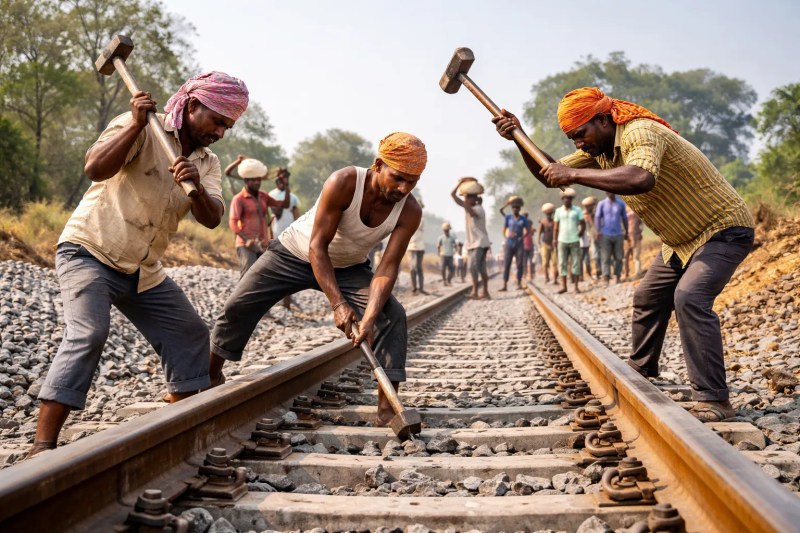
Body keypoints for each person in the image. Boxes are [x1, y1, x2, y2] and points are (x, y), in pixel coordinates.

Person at [492, 86, 754, 422]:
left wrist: (573, 174)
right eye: (572, 138)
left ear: (602, 119)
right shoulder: (601, 149)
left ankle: (714, 399)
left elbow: (640, 177)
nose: (578, 144)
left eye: (580, 134)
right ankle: (640, 372)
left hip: (723, 229)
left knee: (689, 297)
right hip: (679, 240)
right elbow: (551, 172)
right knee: (648, 297)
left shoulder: (640, 132)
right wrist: (519, 137)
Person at [27, 71, 249, 459]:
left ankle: (177, 430)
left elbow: (212, 217)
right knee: (89, 334)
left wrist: (193, 184)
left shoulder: (207, 162)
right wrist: (133, 125)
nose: (221, 133)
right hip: (89, 251)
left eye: (227, 126)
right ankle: (41, 446)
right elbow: (95, 168)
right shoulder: (142, 126)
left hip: (142, 268)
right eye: (217, 122)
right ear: (193, 106)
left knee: (191, 334)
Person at [209, 132, 426, 426]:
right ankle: (208, 377)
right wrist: (337, 304)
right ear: (378, 165)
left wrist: (370, 317)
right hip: (293, 253)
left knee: (392, 316)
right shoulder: (345, 182)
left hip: (349, 267)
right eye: (397, 178)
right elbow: (317, 246)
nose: (403, 188)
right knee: (238, 305)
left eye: (411, 182)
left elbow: (387, 268)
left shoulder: (410, 211)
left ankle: (388, 408)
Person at [226, 156, 290, 277]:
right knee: (248, 275)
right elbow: (233, 223)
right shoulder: (238, 199)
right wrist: (246, 240)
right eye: (253, 180)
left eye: (258, 180)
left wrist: (286, 186)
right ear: (246, 181)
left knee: (265, 276)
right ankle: (240, 296)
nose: (257, 182)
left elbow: (284, 205)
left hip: (263, 244)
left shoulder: (263, 196)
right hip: (246, 245)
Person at [451, 177, 491, 299]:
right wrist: (459, 183)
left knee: (472, 267)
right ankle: (485, 292)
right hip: (475, 243)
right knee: (481, 268)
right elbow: (453, 196)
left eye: (468, 197)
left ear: (475, 198)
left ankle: (475, 292)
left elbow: (461, 203)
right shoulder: (470, 209)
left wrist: (461, 186)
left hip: (479, 243)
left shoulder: (478, 209)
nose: (466, 199)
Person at [553, 188, 585, 293]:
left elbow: (582, 223)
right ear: (562, 199)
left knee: (576, 263)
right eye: (565, 198)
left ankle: (576, 286)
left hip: (574, 240)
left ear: (572, 199)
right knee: (562, 263)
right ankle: (564, 286)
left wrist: (581, 232)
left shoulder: (577, 210)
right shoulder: (558, 211)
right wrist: (554, 239)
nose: (567, 200)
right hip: (562, 240)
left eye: (569, 198)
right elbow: (556, 227)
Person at [596, 192, 629, 285]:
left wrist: (627, 231)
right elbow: (598, 217)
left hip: (618, 234)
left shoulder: (620, 204)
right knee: (605, 257)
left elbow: (625, 218)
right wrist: (598, 231)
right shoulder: (601, 204)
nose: (610, 193)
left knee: (618, 257)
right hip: (605, 234)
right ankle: (606, 278)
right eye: (608, 191)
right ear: (606, 192)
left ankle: (617, 277)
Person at [499, 195, 528, 291]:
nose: (515, 209)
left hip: (519, 244)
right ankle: (504, 284)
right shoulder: (508, 218)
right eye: (514, 207)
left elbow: (528, 230)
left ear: (520, 209)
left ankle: (519, 283)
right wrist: (506, 237)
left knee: (520, 264)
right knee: (507, 264)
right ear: (512, 208)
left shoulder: (523, 219)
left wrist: (522, 237)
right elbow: (504, 229)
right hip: (509, 244)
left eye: (517, 207)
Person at [406, 196, 426, 294]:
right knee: (412, 268)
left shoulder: (421, 219)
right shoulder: (409, 217)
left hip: (420, 246)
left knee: (419, 268)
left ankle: (421, 288)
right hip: (411, 246)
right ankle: (414, 288)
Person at [580, 196, 598, 280]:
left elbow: (594, 227)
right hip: (582, 241)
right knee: (582, 259)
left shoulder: (595, 215)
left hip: (590, 239)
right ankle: (580, 276)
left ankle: (592, 273)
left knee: (591, 258)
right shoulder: (583, 215)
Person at [538, 203, 557, 284]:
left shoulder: (555, 222)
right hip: (545, 244)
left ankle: (555, 279)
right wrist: (539, 242)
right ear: (545, 214)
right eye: (547, 214)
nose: (549, 215)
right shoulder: (543, 222)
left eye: (550, 214)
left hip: (553, 245)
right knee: (545, 263)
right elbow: (540, 232)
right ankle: (547, 278)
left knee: (554, 263)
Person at [625, 207, 644, 277]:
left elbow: (641, 225)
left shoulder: (637, 211)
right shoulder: (626, 210)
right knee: (626, 256)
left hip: (636, 236)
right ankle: (627, 274)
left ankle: (638, 272)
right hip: (628, 237)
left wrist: (640, 233)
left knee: (636, 256)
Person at [522, 212, 536, 281]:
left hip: (528, 246)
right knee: (528, 261)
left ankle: (528, 274)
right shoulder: (528, 229)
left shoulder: (525, 228)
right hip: (526, 246)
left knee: (529, 261)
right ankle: (528, 274)